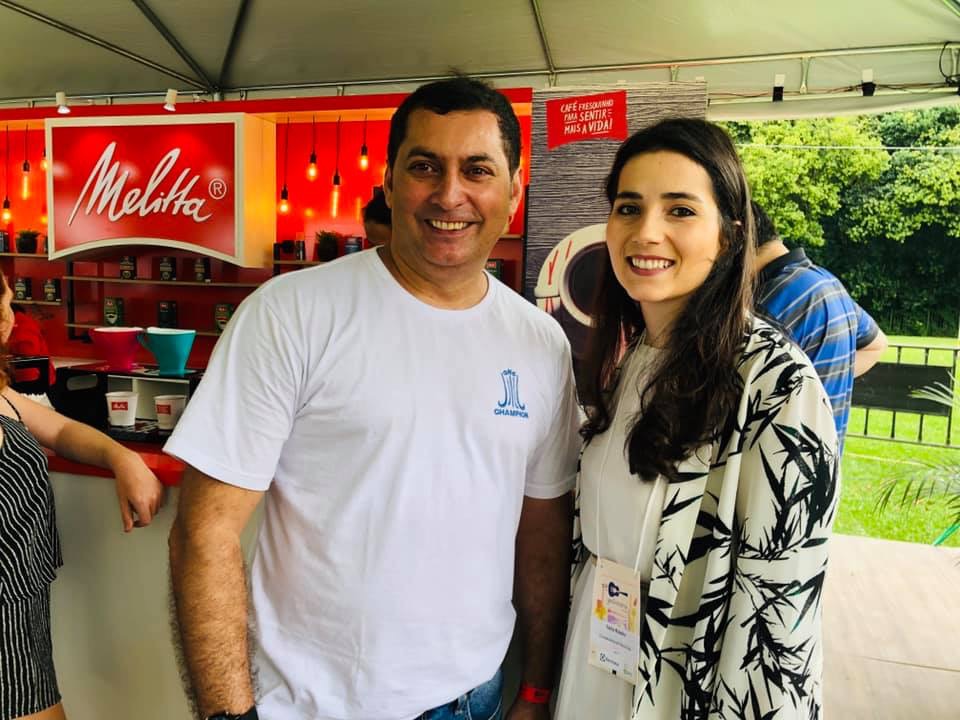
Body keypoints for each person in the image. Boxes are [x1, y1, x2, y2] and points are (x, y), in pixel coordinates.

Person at [166, 76, 580, 720]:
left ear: (514, 191)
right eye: (424, 166)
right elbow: (204, 530)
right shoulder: (292, 313)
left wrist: (536, 689)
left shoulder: (540, 343)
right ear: (389, 182)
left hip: (475, 699)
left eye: (477, 170)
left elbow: (543, 533)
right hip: (311, 707)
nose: (450, 194)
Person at [554, 119, 840, 719]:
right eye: (629, 208)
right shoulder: (635, 357)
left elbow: (780, 619)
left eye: (680, 210)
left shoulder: (777, 384)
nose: (646, 231)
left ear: (730, 236)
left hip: (686, 689)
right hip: (597, 659)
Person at [0, 271, 163, 720]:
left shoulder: (1, 394)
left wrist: (121, 457)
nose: (12, 315)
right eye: (5, 302)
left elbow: (60, 431)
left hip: (23, 605)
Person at [753, 201, 888, 447]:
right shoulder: (824, 282)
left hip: (778, 460)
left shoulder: (769, 304)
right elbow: (876, 344)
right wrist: (815, 387)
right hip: (823, 459)